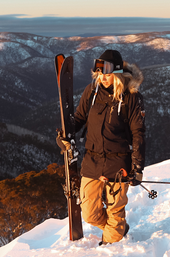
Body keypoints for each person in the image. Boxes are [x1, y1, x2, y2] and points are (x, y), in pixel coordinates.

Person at [57, 49, 146, 245]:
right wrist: (65, 135)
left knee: (115, 211)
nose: (103, 77)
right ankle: (117, 228)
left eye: (107, 73)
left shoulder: (131, 98)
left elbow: (138, 134)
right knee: (89, 213)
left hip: (119, 162)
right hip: (92, 160)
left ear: (118, 73)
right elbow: (79, 119)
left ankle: (111, 249)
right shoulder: (92, 91)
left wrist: (137, 167)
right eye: (99, 73)